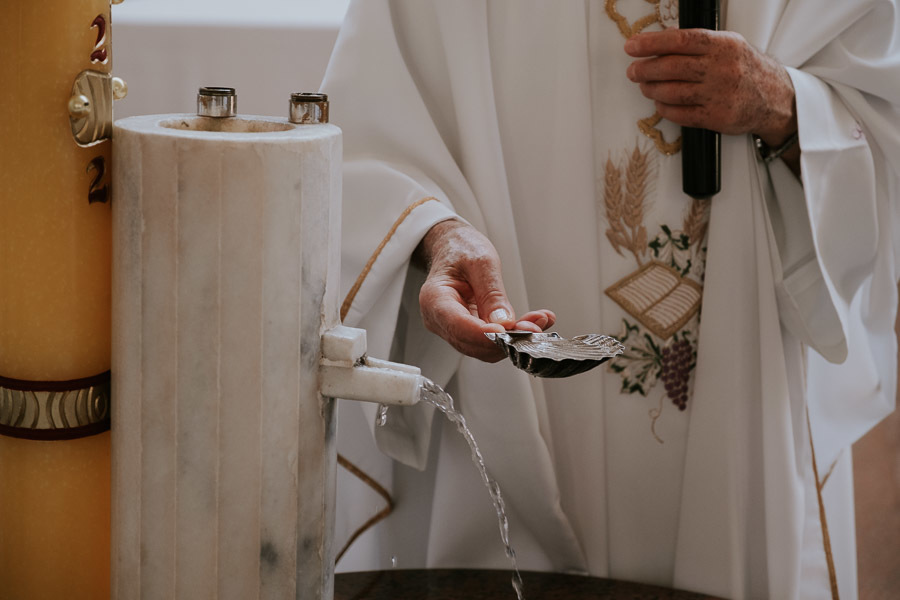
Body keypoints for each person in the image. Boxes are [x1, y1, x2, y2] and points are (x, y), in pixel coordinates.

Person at [321, 1, 900, 598]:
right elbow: (366, 136)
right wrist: (438, 237)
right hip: (507, 370)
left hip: (735, 385)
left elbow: (878, 112)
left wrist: (781, 102)